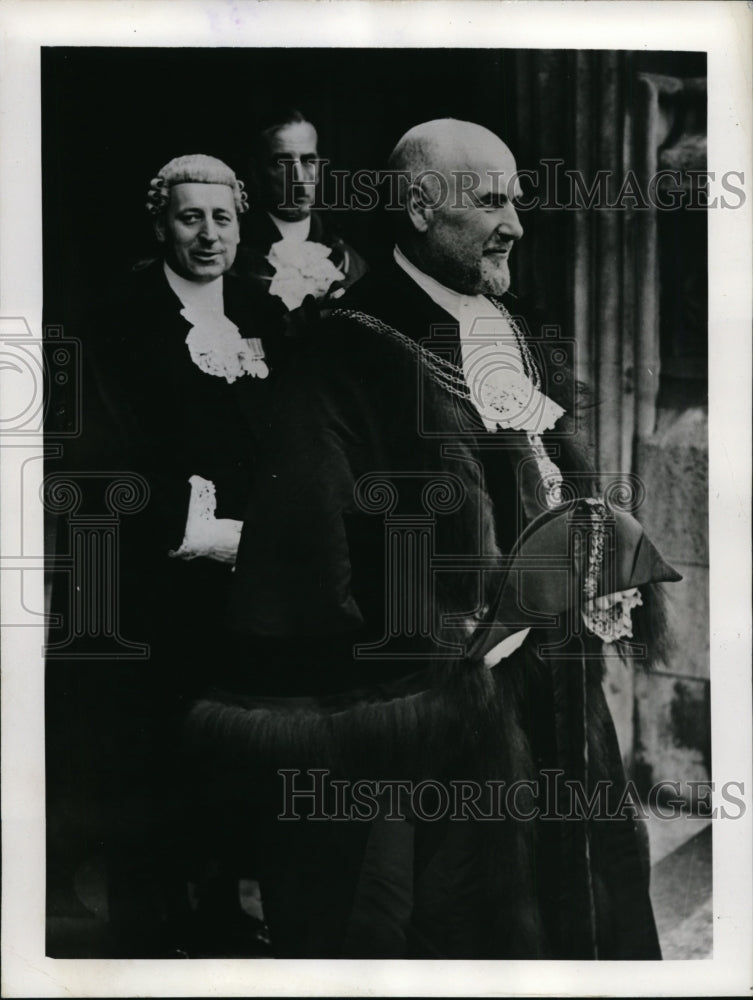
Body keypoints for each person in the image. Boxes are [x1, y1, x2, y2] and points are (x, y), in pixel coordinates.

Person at [186, 120, 680, 959]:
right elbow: (305, 576)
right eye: (491, 200)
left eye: (516, 200)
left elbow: (555, 485)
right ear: (418, 205)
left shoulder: (515, 329)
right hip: (441, 749)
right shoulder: (344, 350)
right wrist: (446, 656)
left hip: (562, 710)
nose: (515, 224)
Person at [45, 153, 280, 956]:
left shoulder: (264, 311)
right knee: (153, 762)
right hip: (155, 581)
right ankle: (149, 937)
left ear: (241, 226)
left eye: (222, 219)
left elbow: (291, 436)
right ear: (160, 225)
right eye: (189, 217)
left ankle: (220, 913)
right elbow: (95, 453)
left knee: (230, 756)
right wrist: (201, 530)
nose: (207, 234)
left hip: (248, 584)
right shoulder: (118, 315)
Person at [233, 107, 368, 319]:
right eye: (281, 163)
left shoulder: (349, 258)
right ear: (255, 171)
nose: (297, 177)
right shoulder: (234, 258)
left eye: (308, 160)